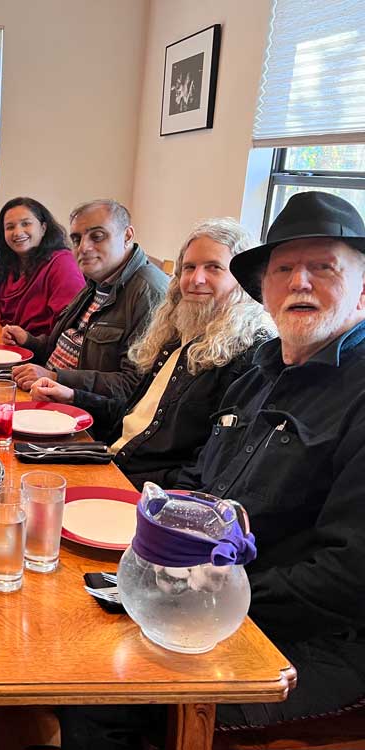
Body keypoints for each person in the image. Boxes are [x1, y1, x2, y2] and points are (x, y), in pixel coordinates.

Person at [59, 191, 365, 747]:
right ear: (264, 288)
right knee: (66, 620)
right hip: (206, 596)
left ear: (362, 287)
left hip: (312, 638)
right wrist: (153, 547)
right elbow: (202, 483)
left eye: (323, 267)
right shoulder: (261, 372)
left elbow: (348, 575)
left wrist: (200, 590)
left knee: (102, 690)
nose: (300, 282)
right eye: (284, 269)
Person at [29, 218, 273, 489]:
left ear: (243, 281)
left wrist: (125, 489)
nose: (196, 279)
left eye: (214, 268)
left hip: (141, 490)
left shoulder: (249, 357)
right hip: (109, 458)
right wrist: (73, 396)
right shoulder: (177, 334)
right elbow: (135, 416)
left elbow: (208, 470)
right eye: (189, 268)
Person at [7, 199, 168, 400]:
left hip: (83, 415)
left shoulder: (149, 292)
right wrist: (28, 341)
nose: (83, 247)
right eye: (76, 239)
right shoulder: (96, 281)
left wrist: (56, 377)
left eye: (97, 237)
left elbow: (132, 386)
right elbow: (68, 344)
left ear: (127, 236)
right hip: (45, 391)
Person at [0, 196, 85, 333]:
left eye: (26, 224)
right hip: (0, 345)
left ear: (43, 228)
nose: (17, 233)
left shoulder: (62, 263)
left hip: (40, 351)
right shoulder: (7, 265)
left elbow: (71, 324)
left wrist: (29, 341)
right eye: (10, 227)